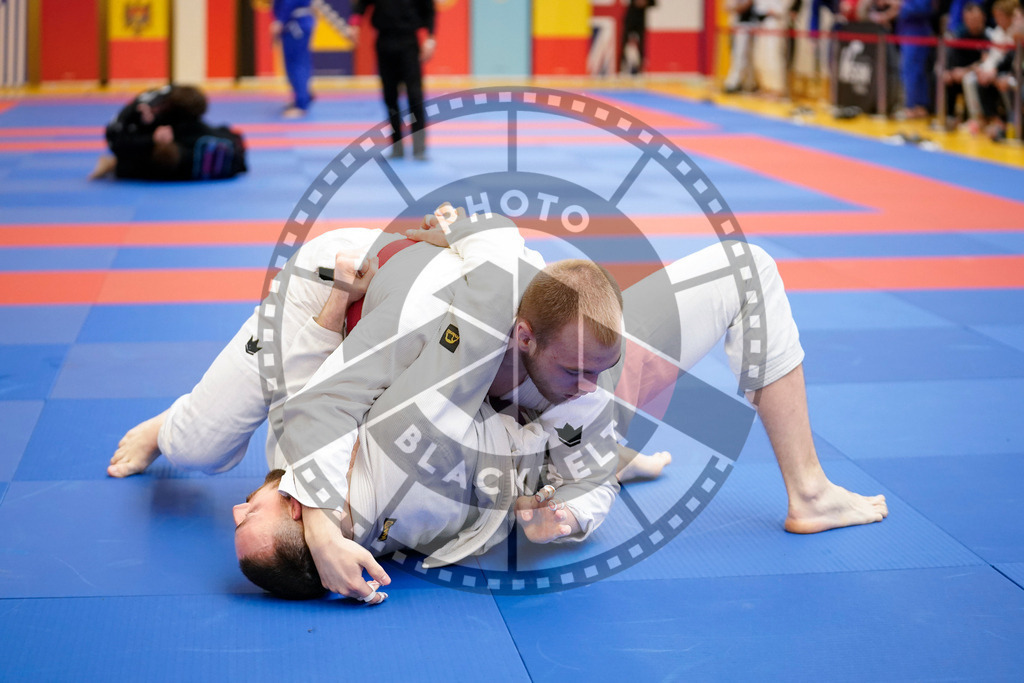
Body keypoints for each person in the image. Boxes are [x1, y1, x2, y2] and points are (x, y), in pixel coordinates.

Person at [89, 84, 247, 181]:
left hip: (139, 161)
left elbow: (116, 141)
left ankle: (113, 164)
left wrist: (149, 136)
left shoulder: (163, 137)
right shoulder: (211, 138)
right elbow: (236, 145)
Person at [349, 0, 435, 159]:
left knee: (415, 96)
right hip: (384, 41)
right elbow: (361, 4)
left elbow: (429, 9)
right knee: (390, 97)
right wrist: (355, 24)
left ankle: (419, 147)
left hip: (409, 42)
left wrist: (430, 38)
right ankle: (397, 145)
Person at [272, 0, 316, 118]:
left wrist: (280, 20)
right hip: (297, 22)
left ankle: (301, 104)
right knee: (299, 61)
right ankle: (302, 97)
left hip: (295, 24)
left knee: (296, 63)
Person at [621, 0, 657, 75]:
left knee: (642, 46)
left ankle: (641, 68)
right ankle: (623, 66)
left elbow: (654, 3)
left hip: (640, 21)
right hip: (630, 19)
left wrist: (645, 2)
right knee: (624, 44)